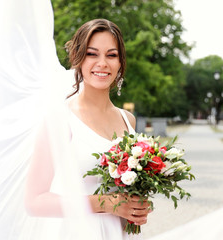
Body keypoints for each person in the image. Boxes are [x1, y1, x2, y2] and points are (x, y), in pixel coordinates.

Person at [25, 19, 152, 239]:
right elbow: (34, 202)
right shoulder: (60, 118)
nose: (102, 63)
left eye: (111, 55)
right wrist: (106, 203)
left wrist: (136, 207)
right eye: (92, 54)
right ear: (78, 58)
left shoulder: (128, 120)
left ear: (121, 62)